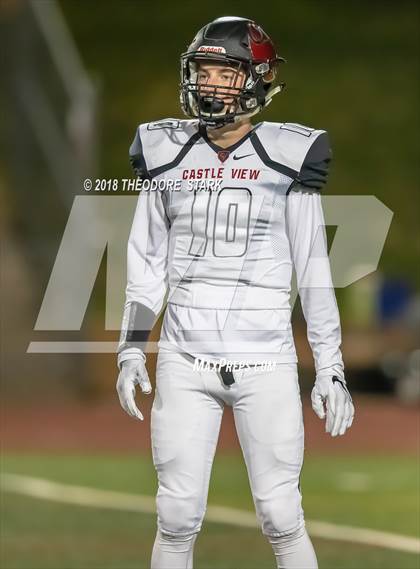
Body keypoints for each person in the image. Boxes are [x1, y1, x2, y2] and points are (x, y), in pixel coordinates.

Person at [116, 16, 355, 569]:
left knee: (280, 515)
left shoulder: (288, 154)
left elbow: (312, 267)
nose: (210, 83)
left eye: (225, 71)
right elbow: (146, 261)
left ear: (257, 78)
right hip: (184, 357)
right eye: (203, 69)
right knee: (175, 517)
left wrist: (330, 366)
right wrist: (131, 346)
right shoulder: (165, 149)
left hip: (266, 360)